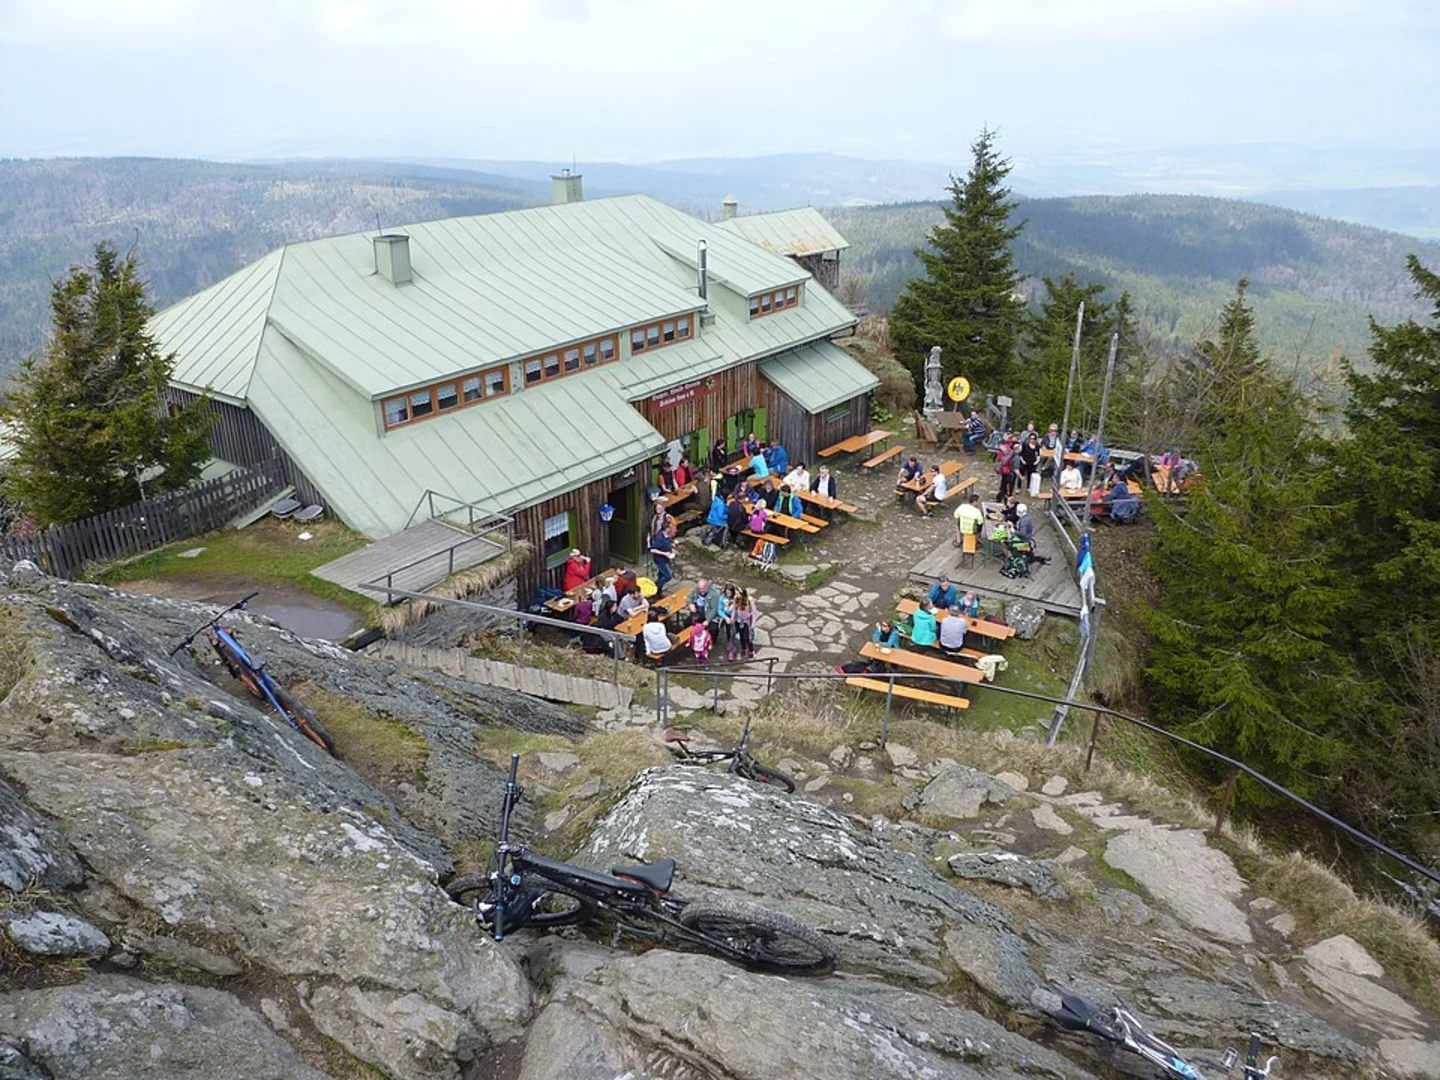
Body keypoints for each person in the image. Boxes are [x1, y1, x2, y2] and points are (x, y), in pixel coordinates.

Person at [732, 588, 758, 660]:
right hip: (739, 620)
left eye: (737, 593)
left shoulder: (749, 599)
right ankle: (744, 648)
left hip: (747, 621)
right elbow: (734, 609)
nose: (736, 595)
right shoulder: (736, 598)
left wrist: (753, 623)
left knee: (748, 637)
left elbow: (754, 612)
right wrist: (732, 618)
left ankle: (751, 651)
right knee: (741, 636)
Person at [649, 526, 674, 594]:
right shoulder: (659, 538)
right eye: (670, 527)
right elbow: (652, 550)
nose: (671, 529)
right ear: (666, 529)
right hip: (660, 560)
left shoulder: (667, 536)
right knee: (668, 576)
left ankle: (658, 591)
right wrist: (665, 553)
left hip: (666, 559)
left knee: (662, 575)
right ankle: (656, 586)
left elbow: (668, 542)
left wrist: (672, 544)